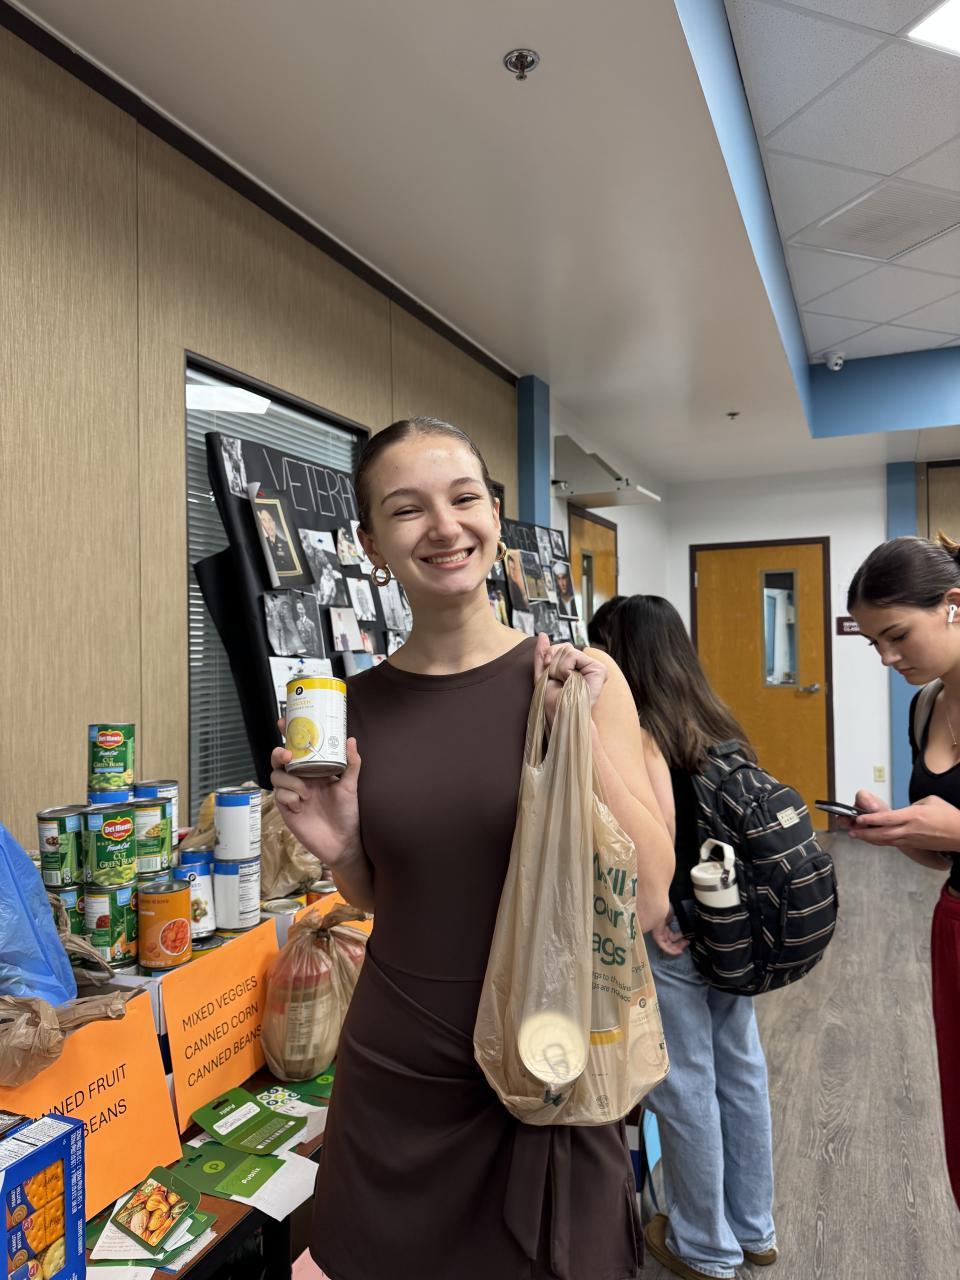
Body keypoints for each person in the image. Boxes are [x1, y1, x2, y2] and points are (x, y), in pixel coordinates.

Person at [270, 416, 675, 1280]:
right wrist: (343, 850)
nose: (444, 526)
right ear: (371, 545)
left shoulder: (580, 678)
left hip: (549, 1059)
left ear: (493, 515)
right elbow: (385, 897)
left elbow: (646, 899)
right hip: (399, 1068)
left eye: (464, 499)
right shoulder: (352, 709)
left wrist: (572, 728)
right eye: (407, 509)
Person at [604, 595, 778, 1280]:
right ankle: (754, 1228)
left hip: (672, 924)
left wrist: (653, 916)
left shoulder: (640, 730)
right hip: (732, 920)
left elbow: (660, 840)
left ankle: (704, 1244)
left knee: (684, 1083)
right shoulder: (715, 720)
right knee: (741, 1067)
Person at [845, 533, 960, 1212]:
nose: (888, 658)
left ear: (953, 604)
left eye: (897, 636)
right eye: (874, 645)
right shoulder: (925, 707)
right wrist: (901, 832)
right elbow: (943, 853)